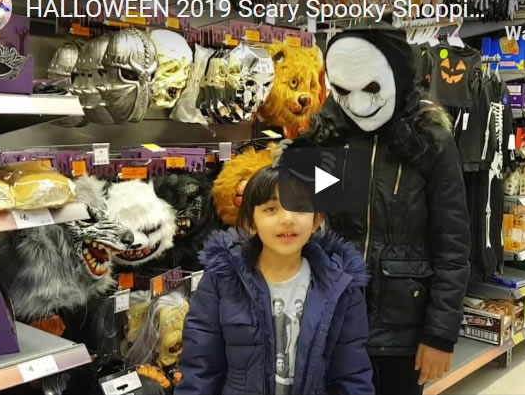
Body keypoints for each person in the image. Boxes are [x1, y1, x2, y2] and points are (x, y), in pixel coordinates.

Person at [302, 22, 472, 395]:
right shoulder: (325, 137)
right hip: (333, 322)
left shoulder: (432, 141)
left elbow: (452, 243)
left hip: (402, 331)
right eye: (343, 90)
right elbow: (303, 223)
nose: (358, 104)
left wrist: (440, 334)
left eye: (371, 88)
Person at [176, 166, 374, 395]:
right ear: (251, 222)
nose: (287, 219)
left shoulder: (340, 287)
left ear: (316, 219)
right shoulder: (222, 280)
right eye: (271, 209)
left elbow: (351, 375)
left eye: (299, 207)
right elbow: (200, 368)